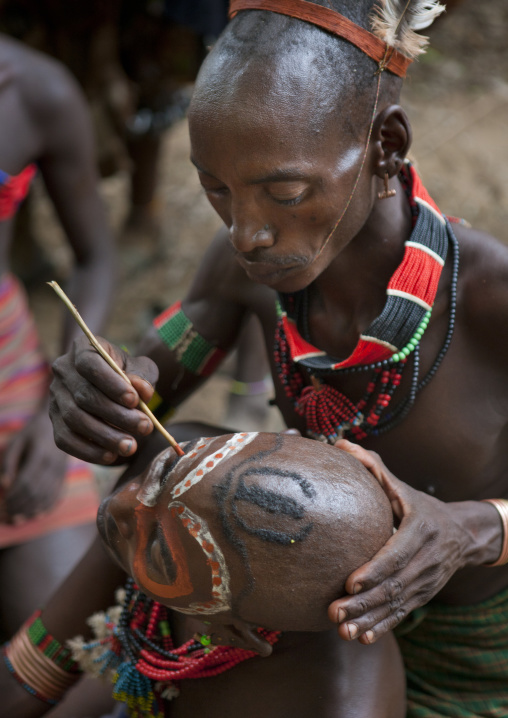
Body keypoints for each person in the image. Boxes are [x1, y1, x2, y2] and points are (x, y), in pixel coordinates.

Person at [47, 0, 508, 715]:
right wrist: (99, 390)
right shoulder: (244, 276)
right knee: (180, 467)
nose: (247, 233)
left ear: (386, 146)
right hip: (308, 640)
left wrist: (470, 531)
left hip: (479, 673)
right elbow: (145, 393)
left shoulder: (490, 301)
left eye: (284, 192)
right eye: (216, 190)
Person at [2, 429, 406, 717]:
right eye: (161, 472)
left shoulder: (339, 705)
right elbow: (35, 668)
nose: (123, 502)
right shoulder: (184, 484)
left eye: (160, 546)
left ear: (234, 633)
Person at [0, 32, 116, 641]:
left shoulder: (35, 92)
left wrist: (58, 407)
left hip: (9, 387)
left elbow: (94, 260)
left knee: (78, 656)